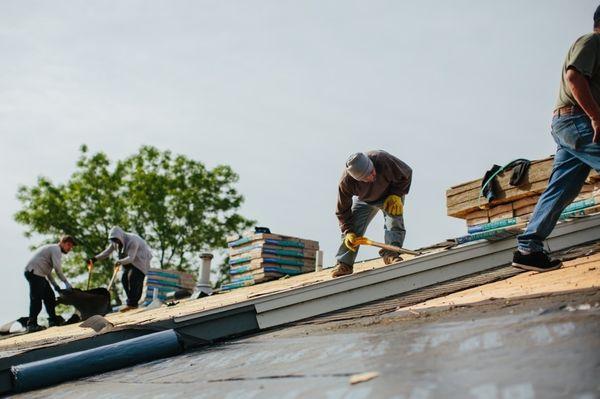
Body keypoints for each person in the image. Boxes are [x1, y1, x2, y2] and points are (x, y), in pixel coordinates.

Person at [513, 6, 600, 272]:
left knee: (563, 188)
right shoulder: (594, 40)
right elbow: (573, 76)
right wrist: (596, 117)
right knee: (562, 188)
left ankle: (528, 248)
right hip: (577, 120)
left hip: (569, 123)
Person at [331, 150, 412, 277]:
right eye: (367, 176)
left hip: (390, 194)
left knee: (394, 220)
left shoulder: (381, 159)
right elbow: (342, 210)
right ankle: (344, 264)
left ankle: (391, 254)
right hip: (365, 200)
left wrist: (396, 194)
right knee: (354, 229)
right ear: (358, 179)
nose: (373, 174)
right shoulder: (346, 182)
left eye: (372, 170)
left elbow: (407, 173)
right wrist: (348, 231)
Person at [89, 226, 152, 311]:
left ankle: (132, 303)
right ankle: (131, 302)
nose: (116, 242)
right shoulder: (115, 242)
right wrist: (95, 259)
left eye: (117, 240)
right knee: (124, 279)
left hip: (140, 260)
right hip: (128, 262)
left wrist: (119, 262)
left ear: (121, 236)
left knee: (134, 277)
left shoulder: (133, 240)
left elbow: (131, 258)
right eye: (114, 240)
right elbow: (107, 252)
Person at [24, 235, 75, 333]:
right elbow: (57, 269)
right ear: (62, 243)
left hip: (39, 274)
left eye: (71, 247)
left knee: (49, 297)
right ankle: (31, 325)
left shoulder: (53, 250)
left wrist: (55, 286)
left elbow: (48, 272)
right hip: (34, 273)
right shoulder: (56, 249)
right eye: (68, 245)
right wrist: (66, 283)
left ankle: (53, 320)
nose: (69, 248)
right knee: (36, 299)